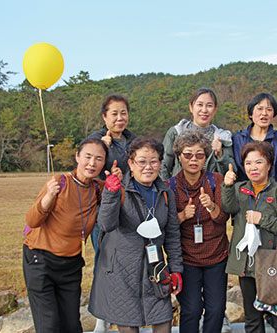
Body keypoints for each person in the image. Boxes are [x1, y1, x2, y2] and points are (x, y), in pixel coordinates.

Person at [89, 137, 183, 333]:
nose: (148, 167)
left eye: (154, 161)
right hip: (122, 273)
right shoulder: (120, 189)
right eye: (141, 161)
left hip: (155, 270)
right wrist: (110, 193)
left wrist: (176, 269)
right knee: (128, 327)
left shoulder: (165, 193)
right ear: (130, 163)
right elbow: (106, 224)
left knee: (163, 323)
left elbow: (172, 234)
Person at [23, 138, 108, 333]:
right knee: (49, 326)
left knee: (72, 326)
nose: (92, 163)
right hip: (41, 260)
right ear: (77, 157)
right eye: (87, 157)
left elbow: (120, 200)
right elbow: (32, 221)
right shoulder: (59, 182)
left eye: (98, 159)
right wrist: (48, 198)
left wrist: (115, 183)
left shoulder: (97, 188)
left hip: (71, 265)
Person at [222, 141, 277, 333]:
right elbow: (228, 208)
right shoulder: (239, 189)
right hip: (247, 265)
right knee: (253, 319)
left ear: (269, 164)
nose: (253, 167)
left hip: (273, 264)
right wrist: (227, 186)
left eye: (259, 162)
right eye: (248, 163)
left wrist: (262, 219)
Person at [167, 130, 229, 333]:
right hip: (187, 258)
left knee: (216, 309)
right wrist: (183, 215)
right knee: (191, 310)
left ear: (206, 156)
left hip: (216, 256)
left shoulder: (216, 180)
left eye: (200, 154)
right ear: (178, 156)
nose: (194, 159)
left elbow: (223, 219)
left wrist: (211, 206)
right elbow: (166, 226)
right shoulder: (170, 187)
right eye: (188, 154)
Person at [86, 94, 137, 332]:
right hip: (103, 210)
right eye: (114, 113)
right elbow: (87, 171)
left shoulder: (133, 141)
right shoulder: (96, 141)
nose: (120, 118)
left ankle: (126, 310)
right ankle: (102, 317)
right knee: (104, 260)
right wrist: (103, 150)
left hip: (129, 210)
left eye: (123, 112)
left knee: (127, 260)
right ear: (104, 116)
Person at [160, 88, 236, 181]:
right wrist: (167, 191)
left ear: (215, 109)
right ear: (191, 107)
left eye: (209, 105)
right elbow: (163, 166)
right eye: (199, 105)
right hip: (179, 191)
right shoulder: (176, 132)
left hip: (212, 192)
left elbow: (232, 172)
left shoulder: (223, 137)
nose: (204, 110)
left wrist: (220, 154)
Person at [232, 92, 277, 185]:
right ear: (251, 114)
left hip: (276, 194)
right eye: (259, 109)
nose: (264, 113)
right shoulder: (238, 139)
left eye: (269, 110)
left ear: (273, 115)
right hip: (246, 194)